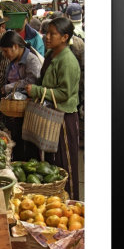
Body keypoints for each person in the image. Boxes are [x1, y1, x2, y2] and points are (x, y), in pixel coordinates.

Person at [26, 17, 81, 200]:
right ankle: (53, 200)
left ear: (65, 37)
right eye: (46, 33)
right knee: (51, 164)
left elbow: (64, 93)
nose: (46, 37)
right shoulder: (51, 55)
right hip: (51, 115)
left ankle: (71, 201)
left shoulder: (68, 61)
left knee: (66, 165)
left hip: (64, 118)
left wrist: (37, 90)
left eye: (52, 34)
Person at [0, 30, 42, 161]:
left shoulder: (31, 60)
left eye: (6, 51)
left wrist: (9, 87)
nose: (5, 55)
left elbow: (32, 81)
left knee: (27, 145)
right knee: (16, 141)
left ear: (16, 46)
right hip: (14, 109)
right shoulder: (13, 60)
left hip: (27, 109)